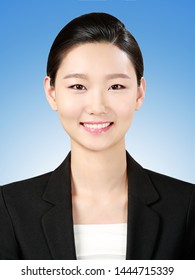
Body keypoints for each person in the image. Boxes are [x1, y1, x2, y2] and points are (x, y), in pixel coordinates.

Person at [0, 12, 194, 260]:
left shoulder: (186, 206)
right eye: (78, 86)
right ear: (51, 92)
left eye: (116, 86)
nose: (97, 106)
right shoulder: (9, 207)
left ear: (139, 93)